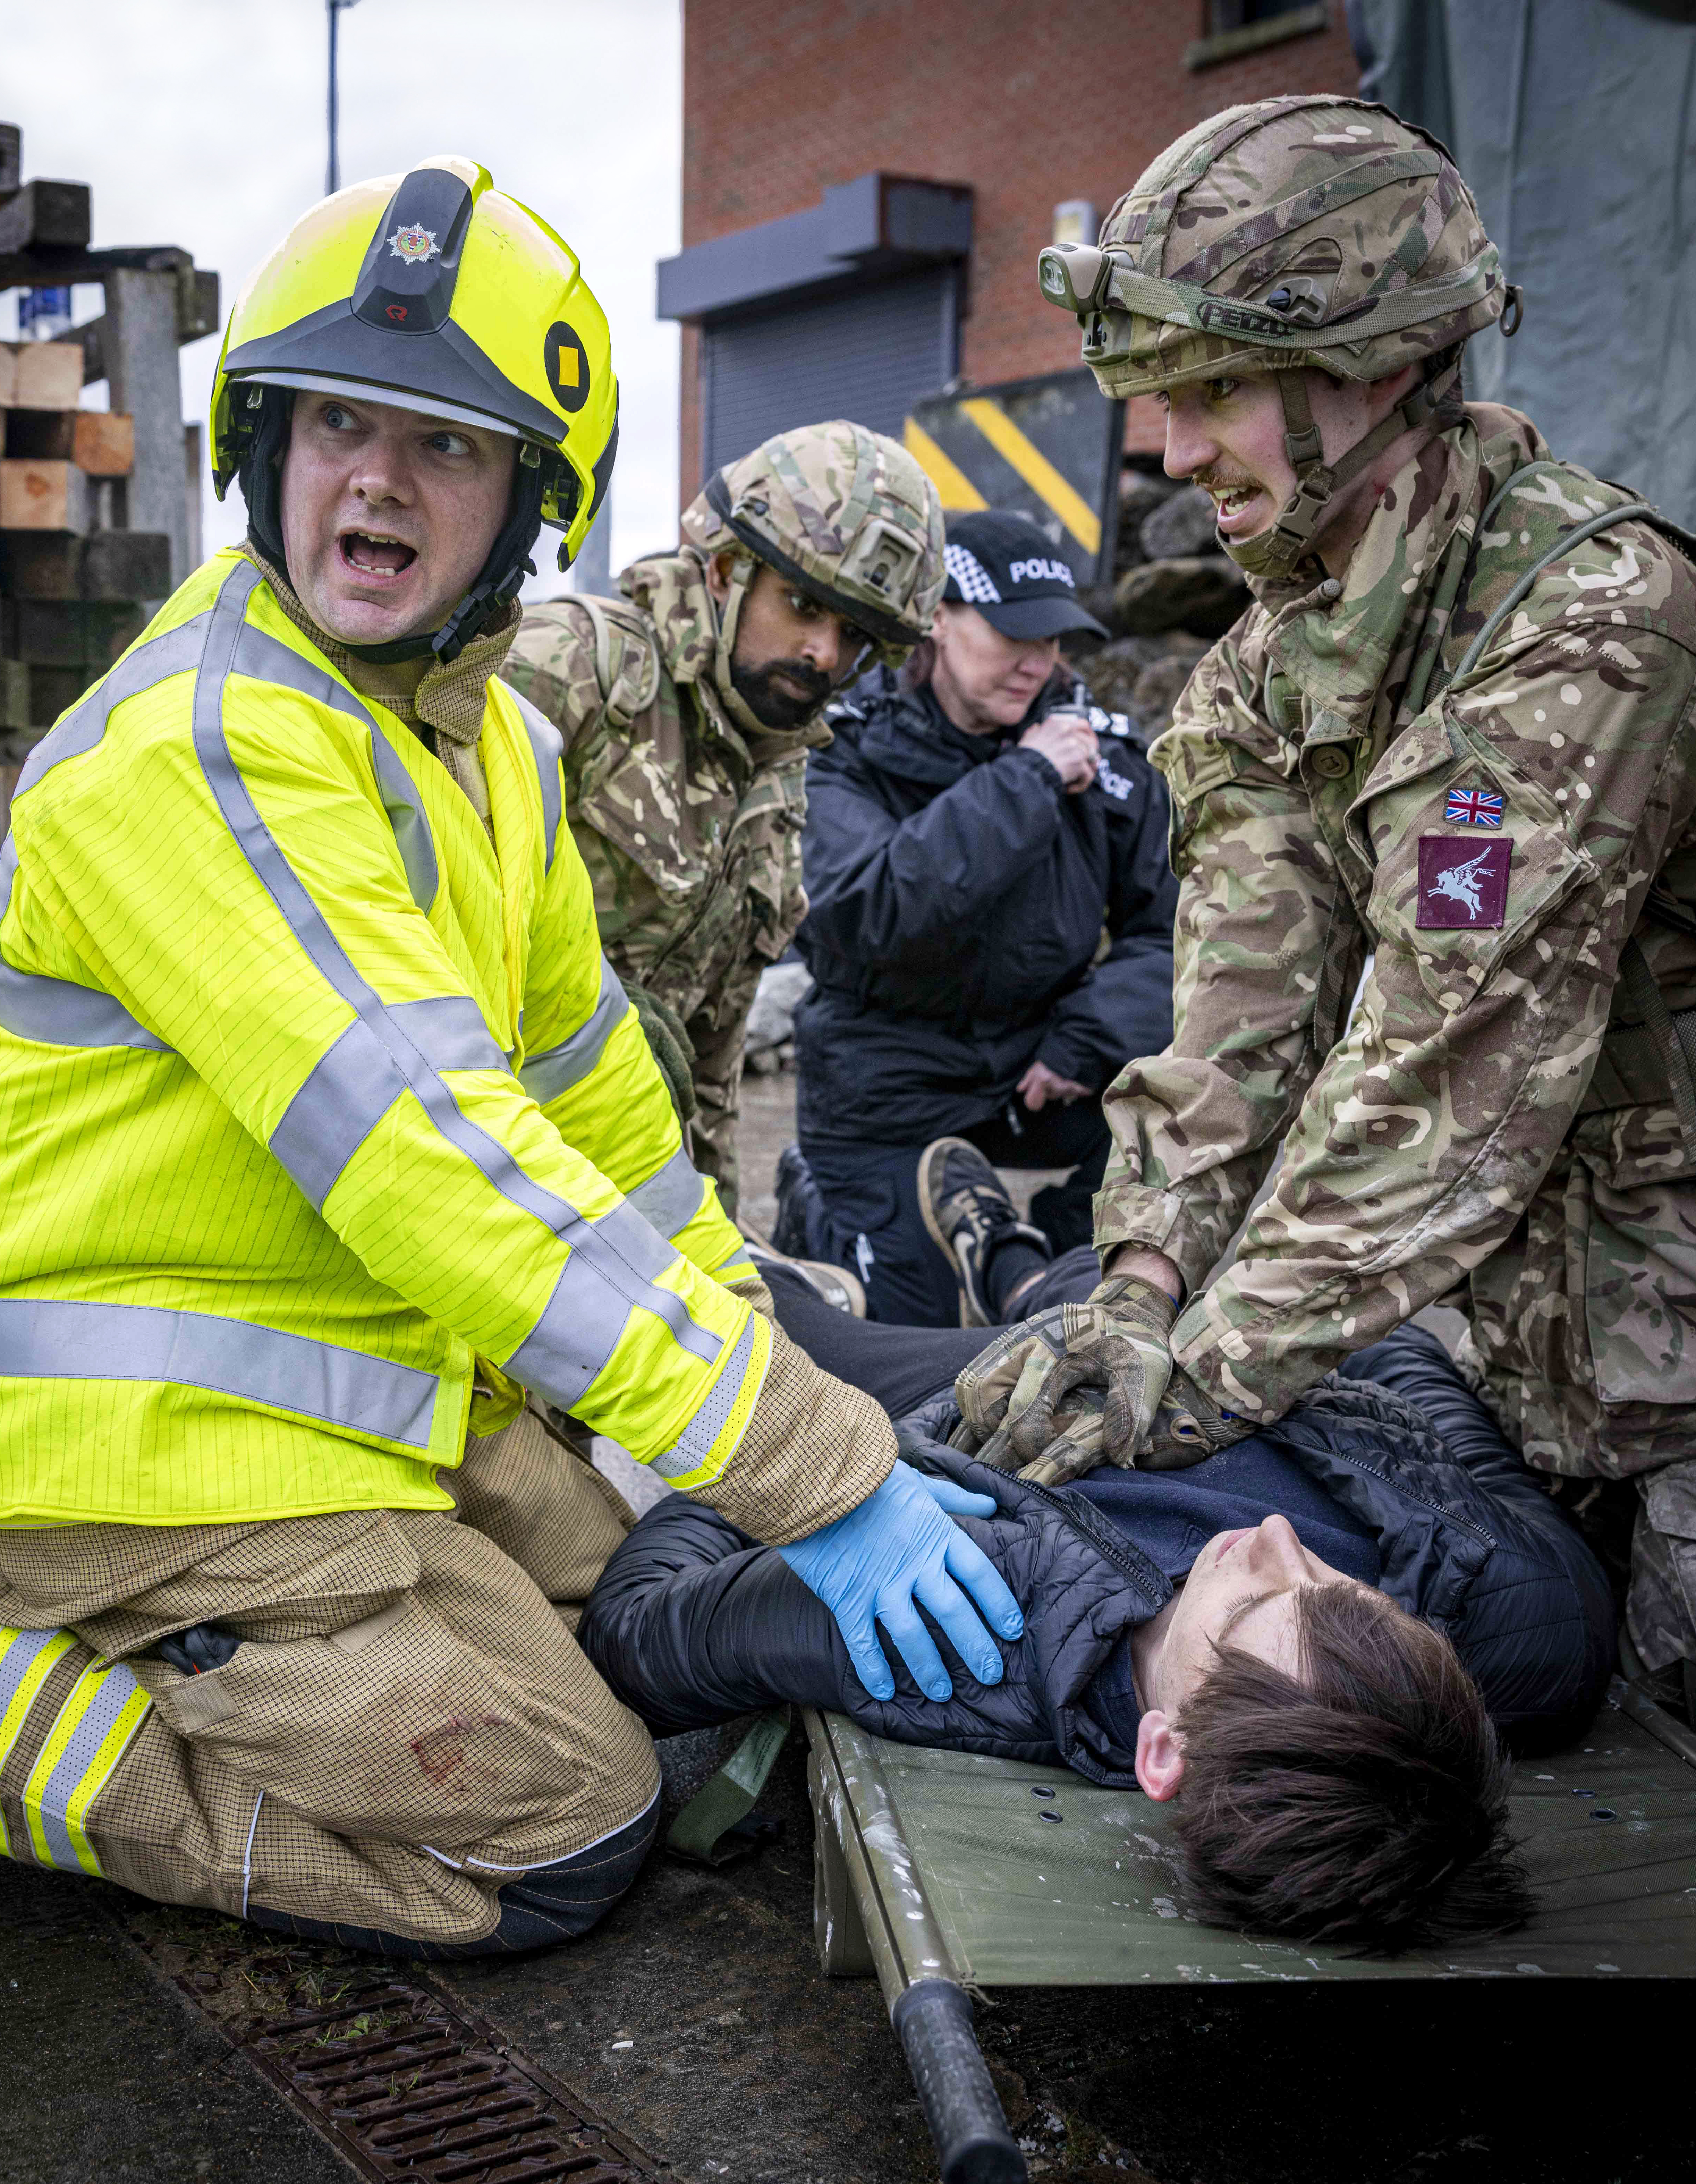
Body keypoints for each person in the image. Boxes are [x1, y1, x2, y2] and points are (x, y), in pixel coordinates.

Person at [0, 159, 1021, 1958]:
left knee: (650, 1596)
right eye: (333, 421)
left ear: (528, 507)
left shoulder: (488, 755)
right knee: (578, 1817)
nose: (376, 478)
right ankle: (34, 1718)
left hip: (356, 1398)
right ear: (264, 448)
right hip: (124, 1461)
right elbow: (440, 1162)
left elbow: (613, 1132)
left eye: (447, 444)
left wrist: (762, 1372)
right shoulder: (209, 745)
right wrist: (819, 1467)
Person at [966, 93, 1696, 1700]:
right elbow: (1234, 1034)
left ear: (1375, 363)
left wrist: (1191, 1377)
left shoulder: (1592, 624)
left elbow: (1448, 1072)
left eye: (1213, 388)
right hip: (1511, 1377)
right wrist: (1138, 1288)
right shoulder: (1256, 681)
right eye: (1156, 396)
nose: (1165, 449)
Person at [581, 1268, 1614, 1951]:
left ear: (1163, 1751)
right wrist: (1239, 1342)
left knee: (763, 1314)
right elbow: (1404, 1361)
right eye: (1344, 1590)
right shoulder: (1529, 1627)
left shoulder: (956, 1623)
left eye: (1254, 1600)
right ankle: (1029, 1261)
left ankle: (974, 1267)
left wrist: (796, 1478)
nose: (1275, 1542)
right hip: (1193, 1322)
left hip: (974, 1396)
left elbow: (635, 1638)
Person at [503, 423, 944, 1216]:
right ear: (724, 569)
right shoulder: (568, 669)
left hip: (618, 1190)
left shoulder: (778, 771)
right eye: (802, 604)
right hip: (482, 1164)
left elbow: (713, 1067)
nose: (821, 653)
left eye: (854, 635)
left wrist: (717, 1253)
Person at [775, 509, 1178, 1328]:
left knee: (1170, 1159)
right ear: (936, 618)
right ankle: (817, 1204)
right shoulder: (841, 745)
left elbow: (1179, 928)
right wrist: (1026, 777)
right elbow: (865, 912)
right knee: (905, 1335)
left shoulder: (1101, 752)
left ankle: (1024, 1251)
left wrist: (1089, 1038)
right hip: (887, 1078)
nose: (1040, 663)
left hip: (1039, 1065)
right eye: (1012, 635)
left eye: (1055, 639)